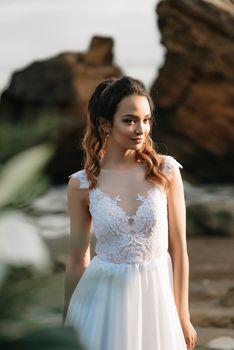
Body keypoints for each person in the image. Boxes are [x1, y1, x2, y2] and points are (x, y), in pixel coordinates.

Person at [63, 76, 197, 350]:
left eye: (146, 119)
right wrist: (66, 322)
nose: (141, 129)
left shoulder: (166, 171)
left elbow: (179, 247)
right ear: (105, 124)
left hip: (155, 299)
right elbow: (78, 258)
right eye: (130, 120)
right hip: (103, 302)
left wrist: (182, 315)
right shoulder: (81, 184)